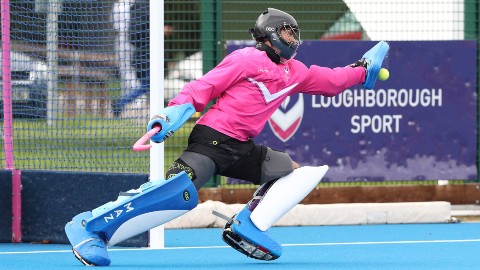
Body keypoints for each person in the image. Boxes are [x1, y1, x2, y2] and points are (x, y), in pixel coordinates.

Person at [65, 8, 388, 266]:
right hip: (212, 141)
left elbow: (332, 80)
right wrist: (171, 114)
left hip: (242, 148)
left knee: (296, 174)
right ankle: (91, 227)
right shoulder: (247, 59)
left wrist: (362, 70)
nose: (294, 38)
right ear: (272, 34)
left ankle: (248, 226)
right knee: (178, 193)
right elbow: (203, 87)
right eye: (289, 31)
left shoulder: (296, 71)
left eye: (295, 33)